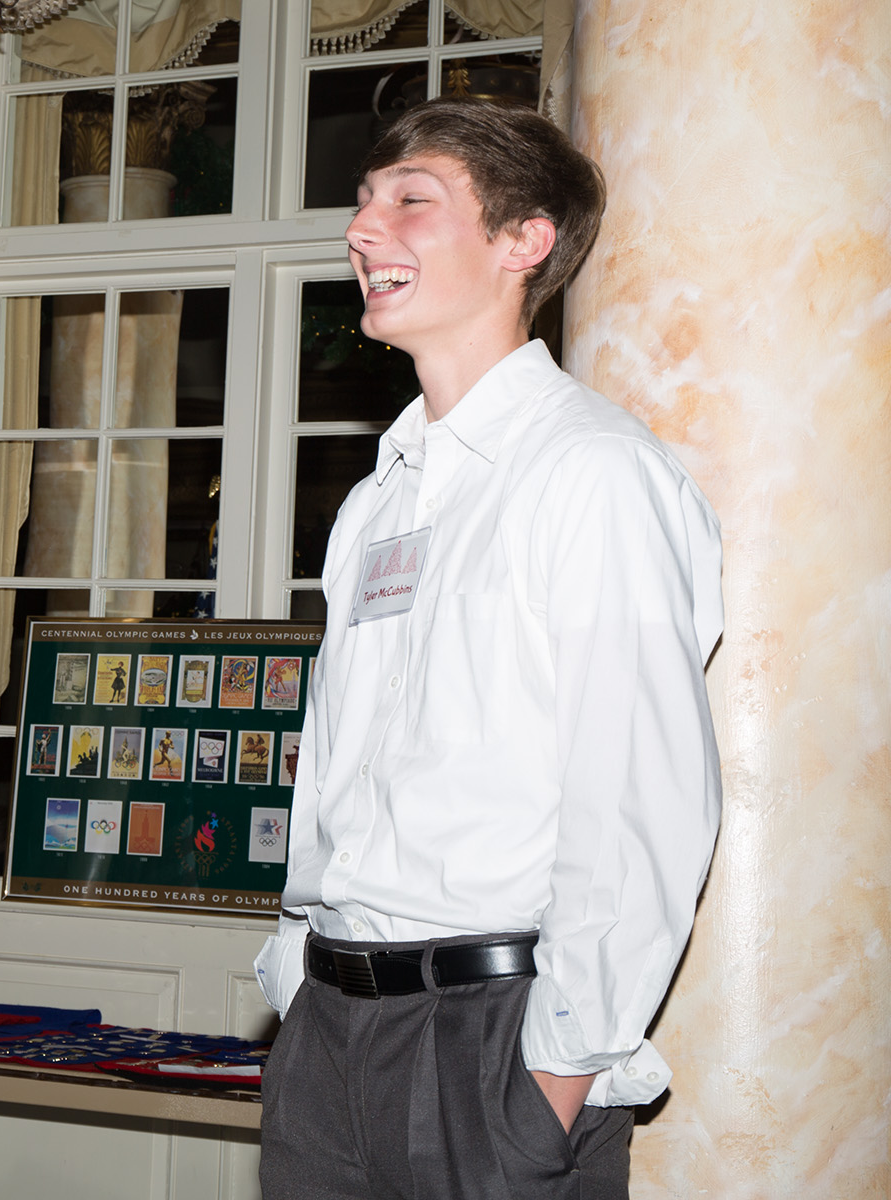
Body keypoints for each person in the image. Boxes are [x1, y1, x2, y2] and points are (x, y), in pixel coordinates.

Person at [253, 98, 723, 1198]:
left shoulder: (595, 474)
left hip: (491, 1043)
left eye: (411, 201)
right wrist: (295, 981)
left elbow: (641, 803)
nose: (365, 230)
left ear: (526, 242)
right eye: (364, 204)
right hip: (329, 1042)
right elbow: (336, 767)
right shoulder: (377, 504)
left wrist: (552, 1077)